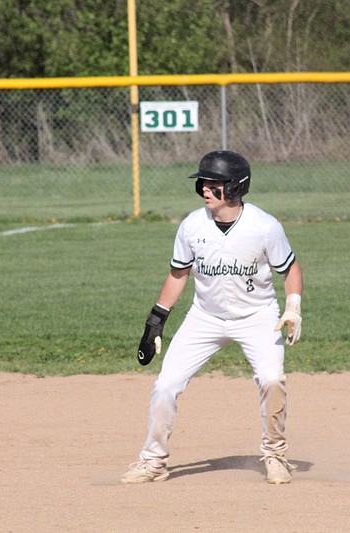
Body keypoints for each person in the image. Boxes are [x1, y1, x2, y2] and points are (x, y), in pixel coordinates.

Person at [121, 150, 303, 485]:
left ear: (234, 187)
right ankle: (153, 462)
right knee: (165, 385)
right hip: (205, 317)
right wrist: (155, 322)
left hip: (258, 316)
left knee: (272, 380)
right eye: (203, 182)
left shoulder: (264, 226)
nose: (205, 187)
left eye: (213, 182)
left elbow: (289, 268)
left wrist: (293, 306)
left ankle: (275, 455)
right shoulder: (192, 226)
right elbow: (178, 275)